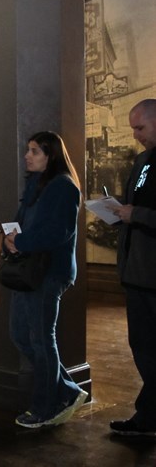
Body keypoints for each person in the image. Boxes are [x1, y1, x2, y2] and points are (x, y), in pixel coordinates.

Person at [3, 131, 87, 428]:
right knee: (21, 337)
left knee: (41, 340)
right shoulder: (36, 183)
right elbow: (23, 222)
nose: (27, 155)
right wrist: (10, 239)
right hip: (29, 270)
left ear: (50, 156)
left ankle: (45, 407)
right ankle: (68, 391)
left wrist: (20, 242)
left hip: (49, 272)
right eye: (28, 149)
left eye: (35, 151)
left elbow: (58, 233)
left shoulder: (64, 187)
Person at [110, 99, 156, 436]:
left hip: (153, 272)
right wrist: (118, 215)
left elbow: (141, 212)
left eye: (140, 127)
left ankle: (147, 418)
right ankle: (148, 416)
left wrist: (135, 215)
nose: (135, 135)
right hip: (136, 271)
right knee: (142, 345)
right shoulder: (142, 161)